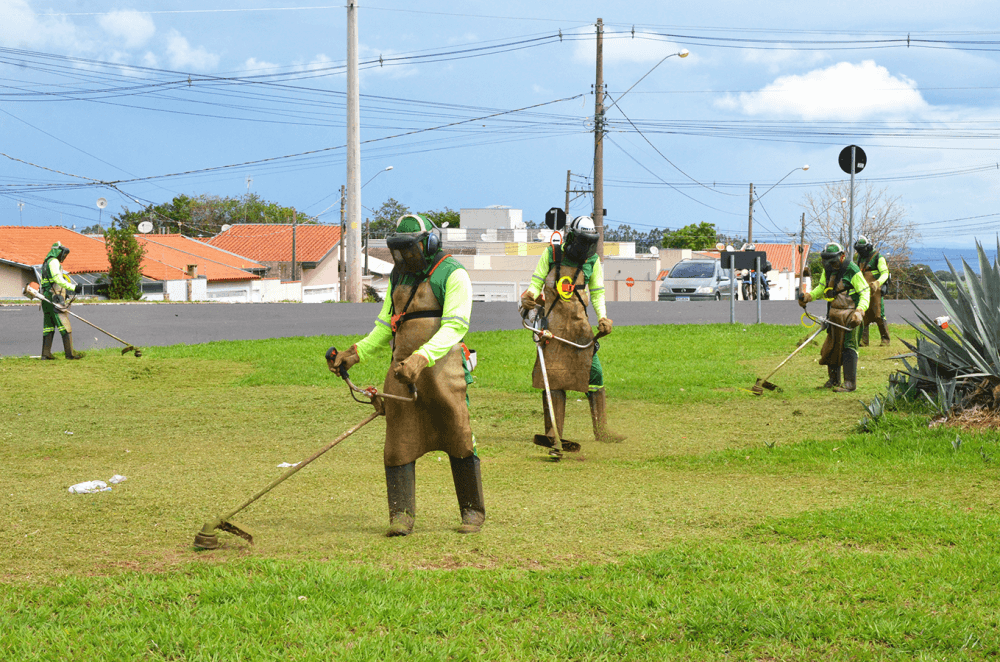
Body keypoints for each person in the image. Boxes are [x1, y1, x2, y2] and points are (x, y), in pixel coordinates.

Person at [330, 214, 483, 537]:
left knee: (458, 433)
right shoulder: (400, 276)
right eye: (399, 252)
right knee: (398, 441)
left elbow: (456, 325)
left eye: (410, 250)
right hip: (402, 370)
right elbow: (387, 324)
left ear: (429, 243)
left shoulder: (453, 274)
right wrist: (356, 353)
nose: (404, 258)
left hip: (442, 368)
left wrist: (423, 356)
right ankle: (401, 515)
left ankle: (472, 510)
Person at [520, 215, 621, 448]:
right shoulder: (552, 254)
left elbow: (597, 292)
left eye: (589, 243)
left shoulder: (593, 261)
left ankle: (601, 430)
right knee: (553, 379)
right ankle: (553, 433)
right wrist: (530, 297)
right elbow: (536, 282)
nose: (585, 248)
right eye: (582, 242)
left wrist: (603, 317)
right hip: (552, 327)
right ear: (572, 237)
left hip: (579, 327)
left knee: (594, 375)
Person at [799, 242, 870, 392]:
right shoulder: (828, 270)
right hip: (834, 314)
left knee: (848, 348)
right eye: (826, 261)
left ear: (842, 256)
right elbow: (822, 288)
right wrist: (809, 296)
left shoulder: (852, 270)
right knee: (831, 347)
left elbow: (865, 292)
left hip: (851, 315)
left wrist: (860, 311)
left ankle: (850, 384)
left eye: (833, 261)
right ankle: (833, 380)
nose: (831, 265)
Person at [39, 242, 84, 360]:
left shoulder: (46, 262)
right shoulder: (54, 261)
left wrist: (65, 292)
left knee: (48, 326)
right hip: (55, 298)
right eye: (62, 254)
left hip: (46, 297)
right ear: (57, 252)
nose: (63, 256)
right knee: (64, 324)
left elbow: (49, 282)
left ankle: (45, 354)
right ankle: (70, 354)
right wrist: (74, 287)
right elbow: (57, 279)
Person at [853, 235, 891, 346]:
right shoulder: (860, 258)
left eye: (862, 250)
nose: (860, 252)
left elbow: (885, 273)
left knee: (879, 314)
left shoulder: (878, 257)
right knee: (863, 314)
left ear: (868, 247)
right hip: (863, 290)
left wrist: (877, 283)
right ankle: (863, 341)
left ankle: (885, 340)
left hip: (876, 290)